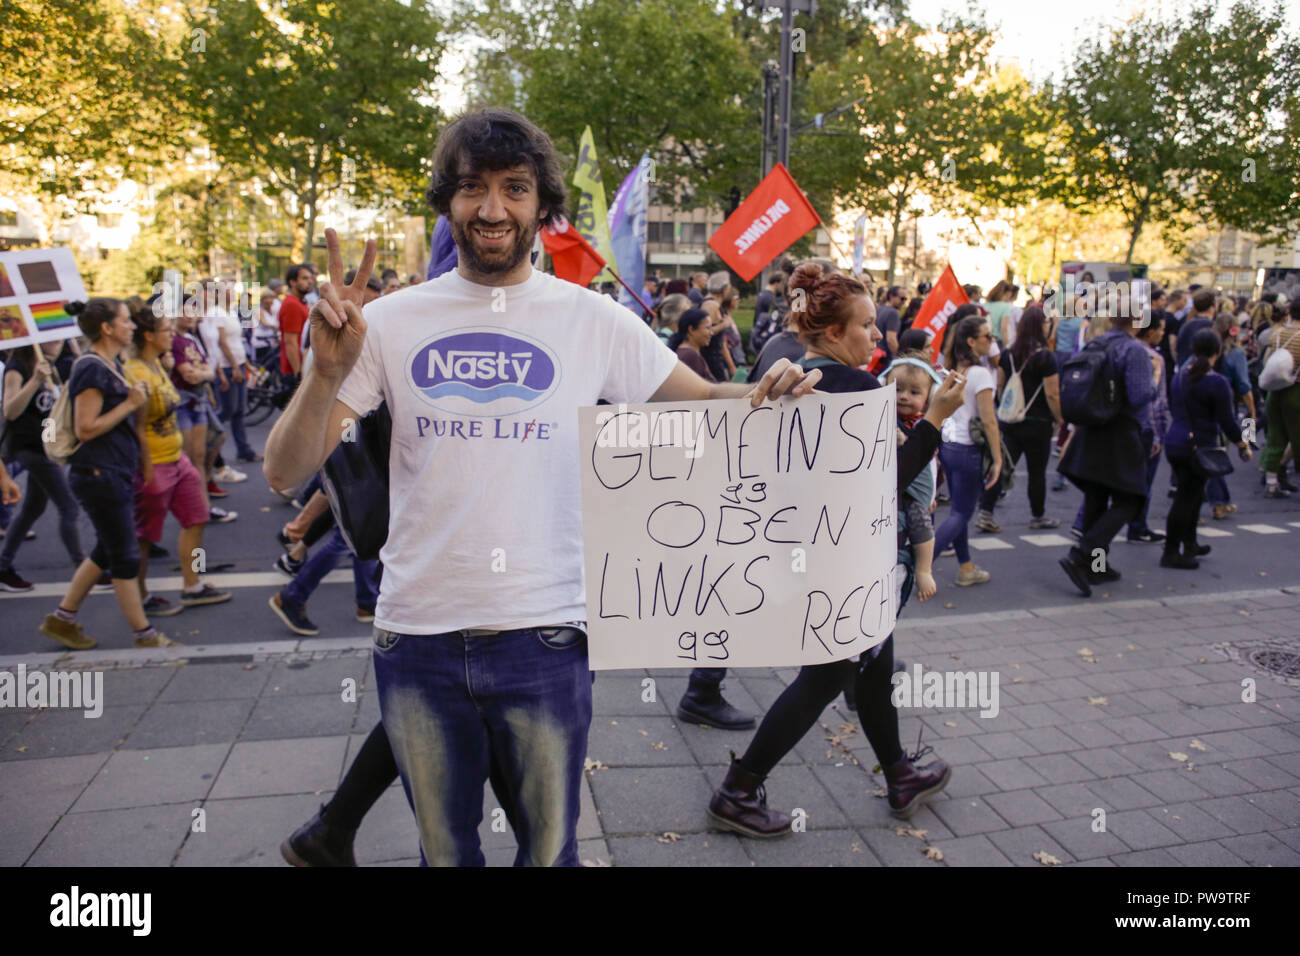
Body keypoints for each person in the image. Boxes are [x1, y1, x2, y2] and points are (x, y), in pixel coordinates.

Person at [262, 107, 820, 867]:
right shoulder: (385, 324)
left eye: (514, 189)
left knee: (548, 854)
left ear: (541, 204)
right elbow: (285, 471)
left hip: (547, 639)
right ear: (447, 202)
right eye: (471, 189)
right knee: (445, 857)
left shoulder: (594, 321)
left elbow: (703, 403)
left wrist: (772, 387)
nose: (492, 209)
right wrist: (323, 375)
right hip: (416, 639)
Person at [705, 262, 967, 837]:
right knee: (825, 677)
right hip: (846, 559)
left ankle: (900, 772)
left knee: (869, 667)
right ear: (831, 332)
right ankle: (739, 790)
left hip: (818, 551)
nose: (878, 336)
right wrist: (936, 421)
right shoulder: (852, 388)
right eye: (868, 326)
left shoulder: (797, 372)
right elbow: (886, 479)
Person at [38, 299, 177, 651]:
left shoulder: (110, 364)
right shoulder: (91, 368)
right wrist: (131, 404)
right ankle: (145, 636)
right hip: (99, 474)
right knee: (125, 556)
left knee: (106, 550)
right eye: (126, 321)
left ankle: (62, 619)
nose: (132, 326)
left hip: (112, 472)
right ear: (107, 328)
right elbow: (86, 429)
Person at [123, 302, 231, 615]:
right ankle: (142, 594)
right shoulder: (135, 372)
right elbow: (137, 428)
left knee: (197, 519)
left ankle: (193, 585)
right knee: (145, 537)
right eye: (166, 331)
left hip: (177, 458)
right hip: (153, 464)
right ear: (148, 336)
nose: (173, 335)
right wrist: (146, 470)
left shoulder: (158, 364)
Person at [1057, 308, 1155, 597]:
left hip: (1092, 428)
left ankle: (1096, 567)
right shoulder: (1134, 350)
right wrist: (1155, 381)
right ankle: (1084, 553)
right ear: (1137, 322)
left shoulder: (1096, 343)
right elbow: (1139, 396)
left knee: (1097, 498)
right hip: (1120, 432)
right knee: (1131, 498)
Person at [1162, 330, 1252, 568]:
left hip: (1177, 441)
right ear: (1217, 352)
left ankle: (1189, 543)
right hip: (1199, 445)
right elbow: (1227, 420)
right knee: (1186, 498)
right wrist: (1243, 444)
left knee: (1192, 495)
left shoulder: (1180, 376)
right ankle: (1171, 552)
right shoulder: (1216, 381)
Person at [0, 340, 86, 591]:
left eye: (62, 340)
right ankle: (84, 570)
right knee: (68, 507)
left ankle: (3, 567)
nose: (58, 344)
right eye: (54, 339)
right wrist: (35, 380)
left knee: (32, 508)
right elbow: (10, 411)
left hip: (50, 447)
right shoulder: (19, 366)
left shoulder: (54, 365)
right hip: (31, 449)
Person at [974, 306, 1062, 533]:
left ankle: (986, 511)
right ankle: (1037, 515)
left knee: (1001, 466)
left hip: (1010, 421)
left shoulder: (1008, 354)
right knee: (1037, 472)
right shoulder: (1046, 357)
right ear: (1042, 326)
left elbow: (1001, 386)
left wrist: (1008, 407)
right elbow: (1052, 393)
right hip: (1039, 422)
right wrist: (1060, 419)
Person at [932, 314, 1000, 586]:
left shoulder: (947, 372)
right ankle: (918, 566)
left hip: (948, 446)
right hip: (968, 449)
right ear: (972, 341)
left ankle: (967, 569)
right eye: (988, 336)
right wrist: (997, 459)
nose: (992, 342)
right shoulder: (980, 373)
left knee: (958, 511)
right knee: (961, 513)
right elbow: (989, 420)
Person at [883, 355, 940, 602]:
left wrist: (933, 493)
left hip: (918, 493)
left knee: (921, 521)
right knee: (917, 518)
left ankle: (925, 568)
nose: (904, 396)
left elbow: (929, 461)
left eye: (914, 392)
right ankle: (923, 569)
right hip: (906, 495)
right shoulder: (889, 420)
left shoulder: (922, 424)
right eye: (897, 389)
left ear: (930, 398)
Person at [1124, 312, 1170, 543]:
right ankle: (1137, 525)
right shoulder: (1153, 359)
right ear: (1150, 331)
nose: (1163, 333)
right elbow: (1156, 402)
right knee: (1144, 481)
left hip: (1122, 426)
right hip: (1144, 428)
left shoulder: (1123, 350)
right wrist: (1158, 436)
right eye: (1161, 329)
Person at [1205, 315, 1254, 519]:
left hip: (1200, 405)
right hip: (1224, 405)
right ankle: (1218, 503)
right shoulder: (1236, 354)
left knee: (1209, 453)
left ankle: (1219, 501)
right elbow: (1243, 385)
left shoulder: (1205, 350)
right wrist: (1251, 411)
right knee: (1217, 455)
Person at [1260, 297, 1300, 498]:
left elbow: (1268, 360)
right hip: (1296, 390)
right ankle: (1284, 468)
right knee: (1296, 436)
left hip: (1275, 390)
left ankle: (1271, 482)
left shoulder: (1277, 334)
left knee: (1275, 436)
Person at [279, 264, 313, 382]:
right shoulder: (291, 304)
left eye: (310, 278)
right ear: (292, 282)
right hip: (295, 370)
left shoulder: (300, 302)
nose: (310, 281)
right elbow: (290, 342)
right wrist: (298, 373)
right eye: (304, 278)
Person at [667, 309, 715, 381]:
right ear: (691, 329)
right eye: (707, 328)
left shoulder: (687, 352)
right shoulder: (690, 355)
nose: (711, 333)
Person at [875, 285, 905, 360]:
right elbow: (891, 340)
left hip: (876, 354)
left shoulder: (880, 309)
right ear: (892, 296)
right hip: (885, 357)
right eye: (902, 298)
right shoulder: (893, 313)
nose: (903, 302)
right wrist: (900, 357)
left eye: (905, 299)